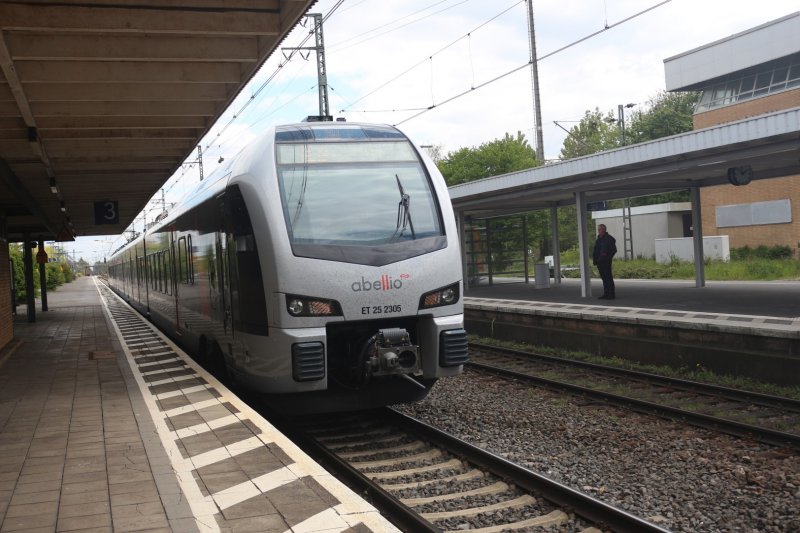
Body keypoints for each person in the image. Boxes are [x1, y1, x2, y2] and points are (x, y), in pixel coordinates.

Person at [593, 224, 617, 299]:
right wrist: (595, 260)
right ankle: (606, 294)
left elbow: (614, 250)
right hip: (599, 262)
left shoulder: (609, 239)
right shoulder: (598, 240)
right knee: (604, 278)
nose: (598, 231)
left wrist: (608, 258)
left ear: (604, 230)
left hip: (606, 262)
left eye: (599, 229)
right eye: (598, 229)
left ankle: (611, 294)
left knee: (608, 277)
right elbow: (596, 250)